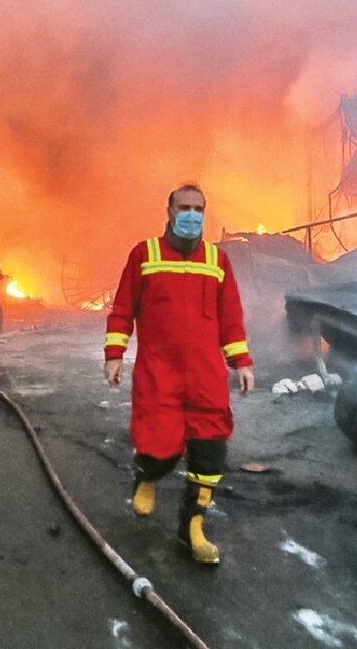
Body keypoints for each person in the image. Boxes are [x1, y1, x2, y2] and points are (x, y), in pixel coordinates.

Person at [103, 183, 255, 565]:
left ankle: (193, 530)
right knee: (159, 443)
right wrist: (114, 353)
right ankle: (148, 476)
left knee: (210, 452)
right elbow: (123, 307)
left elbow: (230, 317)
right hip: (160, 371)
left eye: (198, 208)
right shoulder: (146, 253)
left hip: (206, 375)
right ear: (168, 212)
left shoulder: (217, 261)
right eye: (184, 207)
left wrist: (241, 362)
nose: (192, 214)